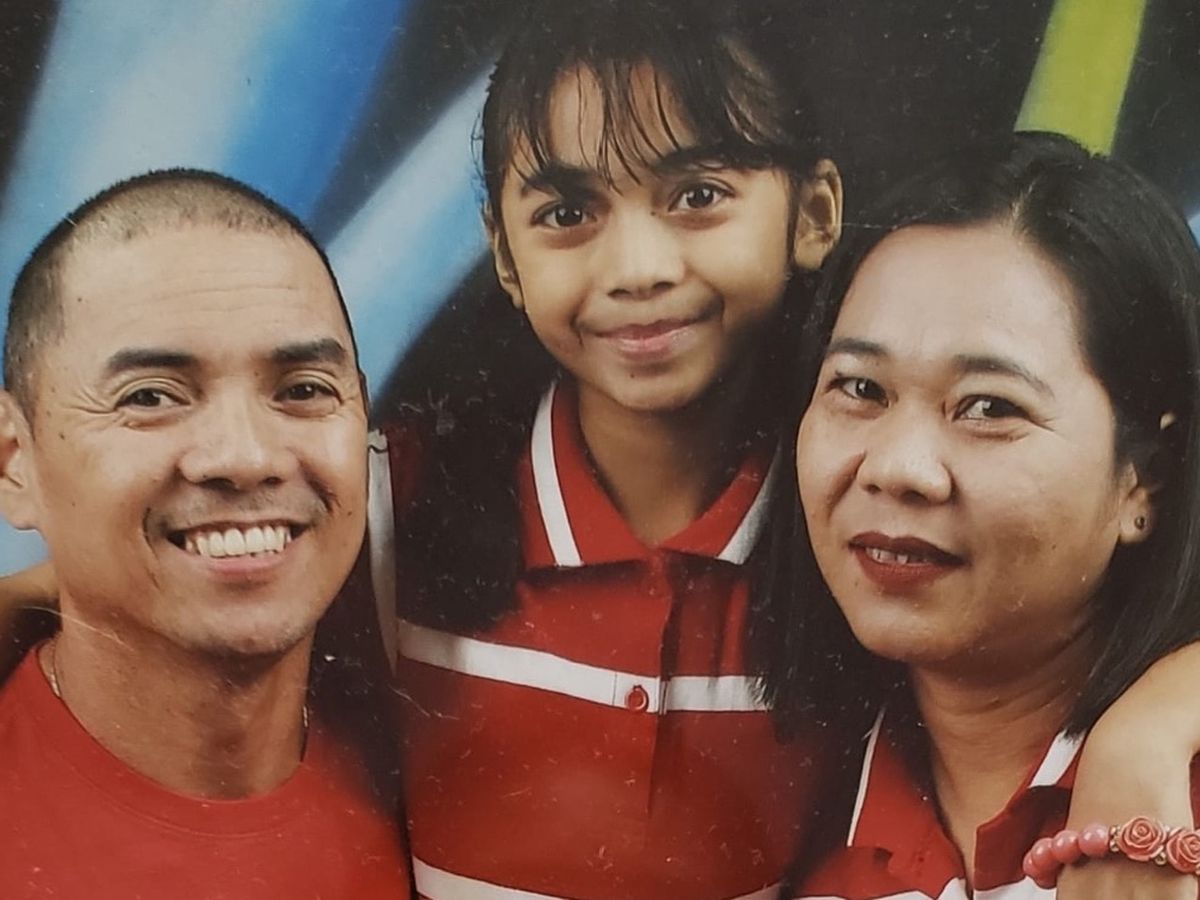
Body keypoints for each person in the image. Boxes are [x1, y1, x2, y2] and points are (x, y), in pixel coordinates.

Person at [770, 131, 1200, 898]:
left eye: (990, 407)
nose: (897, 467)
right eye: (860, 388)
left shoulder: (1170, 817)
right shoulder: (782, 819)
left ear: (1145, 483)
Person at [0, 170, 410, 899]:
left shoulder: (441, 770)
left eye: (304, 389)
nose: (245, 457)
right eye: (151, 397)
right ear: (14, 462)